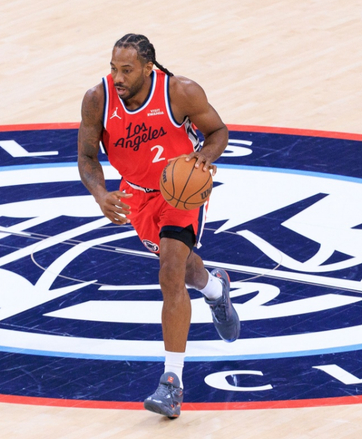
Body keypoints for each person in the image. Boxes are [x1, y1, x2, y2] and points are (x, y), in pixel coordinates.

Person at [77, 33, 240, 419]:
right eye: (114, 68)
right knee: (184, 271)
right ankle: (216, 288)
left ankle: (172, 382)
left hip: (180, 193)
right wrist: (100, 194)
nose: (118, 77)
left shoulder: (180, 92)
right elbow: (86, 156)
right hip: (137, 196)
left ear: (148, 68)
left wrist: (203, 159)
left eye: (127, 70)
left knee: (169, 272)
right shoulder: (98, 99)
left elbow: (218, 132)